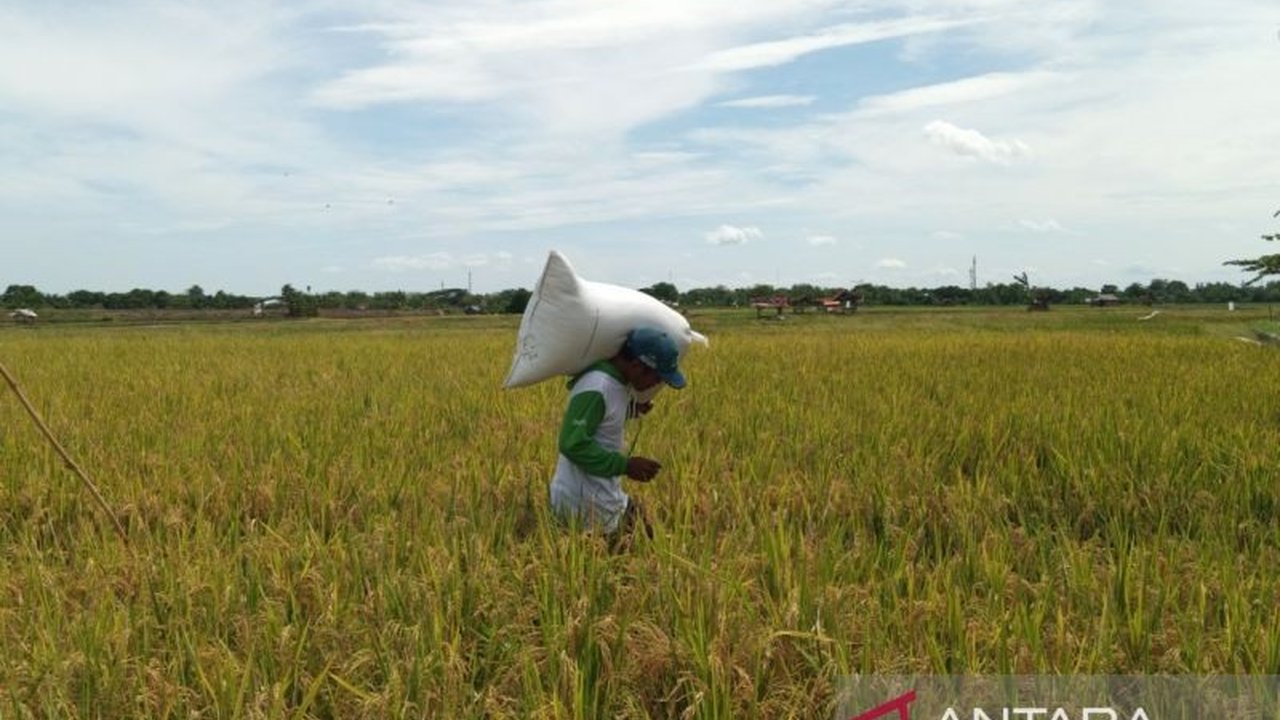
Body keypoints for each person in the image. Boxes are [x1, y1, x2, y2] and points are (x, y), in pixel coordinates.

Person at [548, 326, 687, 551]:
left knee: (648, 541)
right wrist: (626, 465)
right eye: (657, 377)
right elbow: (572, 443)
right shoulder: (597, 386)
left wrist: (629, 410)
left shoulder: (618, 385)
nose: (657, 384)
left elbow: (601, 421)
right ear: (636, 366)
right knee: (632, 562)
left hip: (604, 495)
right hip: (586, 504)